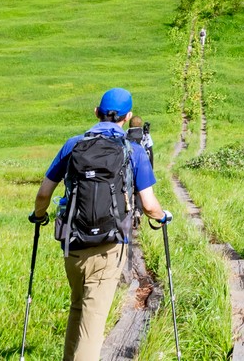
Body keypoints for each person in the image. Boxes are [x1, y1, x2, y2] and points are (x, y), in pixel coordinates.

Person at [29, 88, 171, 361]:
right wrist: (163, 216)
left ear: (96, 112)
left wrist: (39, 216)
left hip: (74, 245)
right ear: (128, 117)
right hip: (108, 247)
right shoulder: (134, 150)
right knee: (92, 324)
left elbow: (44, 193)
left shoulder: (73, 145)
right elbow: (150, 205)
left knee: (77, 309)